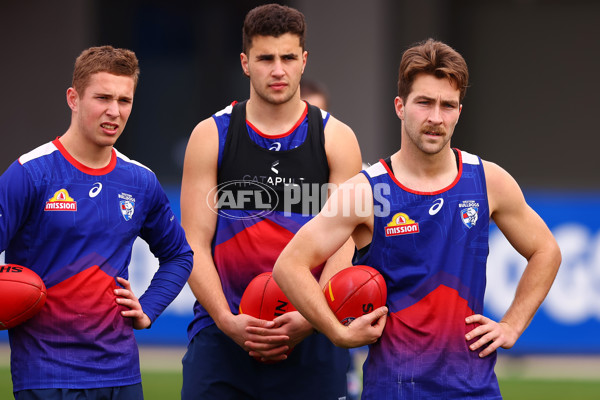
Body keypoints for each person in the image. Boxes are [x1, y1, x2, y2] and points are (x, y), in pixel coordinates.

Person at [273, 38, 561, 399]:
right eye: (424, 102)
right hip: (393, 389)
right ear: (400, 106)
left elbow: (547, 251)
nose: (436, 117)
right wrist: (337, 332)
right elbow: (289, 266)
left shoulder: (488, 181)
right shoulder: (366, 192)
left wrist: (512, 324)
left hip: (475, 391)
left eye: (448, 105)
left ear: (459, 111)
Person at [179, 3, 362, 399]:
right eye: (265, 58)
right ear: (245, 63)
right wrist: (229, 321)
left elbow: (343, 242)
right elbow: (192, 243)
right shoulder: (211, 136)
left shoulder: (336, 139)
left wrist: (311, 318)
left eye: (287, 57)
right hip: (222, 336)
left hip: (311, 334)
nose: (277, 70)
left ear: (303, 61)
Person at [0, 45, 194, 399]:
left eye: (125, 100)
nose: (114, 111)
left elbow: (179, 255)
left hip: (121, 375)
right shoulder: (30, 173)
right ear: (73, 98)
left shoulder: (141, 181)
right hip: (45, 375)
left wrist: (149, 308)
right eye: (102, 97)